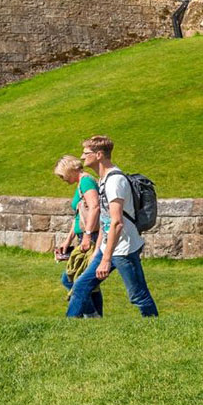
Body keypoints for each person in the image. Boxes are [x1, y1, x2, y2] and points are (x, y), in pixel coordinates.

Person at [66, 135, 159, 318]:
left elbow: (116, 223)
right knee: (80, 287)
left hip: (123, 248)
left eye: (86, 153)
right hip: (107, 246)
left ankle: (155, 327)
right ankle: (69, 329)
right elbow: (106, 220)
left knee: (138, 295)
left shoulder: (115, 181)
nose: (82, 157)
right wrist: (98, 250)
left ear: (99, 154)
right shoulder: (103, 180)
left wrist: (106, 259)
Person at [53, 155, 103, 317]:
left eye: (62, 175)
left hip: (92, 237)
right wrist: (67, 241)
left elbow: (95, 208)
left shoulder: (86, 181)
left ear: (70, 169)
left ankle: (90, 316)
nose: (62, 179)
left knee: (70, 279)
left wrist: (88, 236)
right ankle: (96, 317)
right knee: (90, 284)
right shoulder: (81, 184)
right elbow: (79, 216)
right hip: (84, 236)